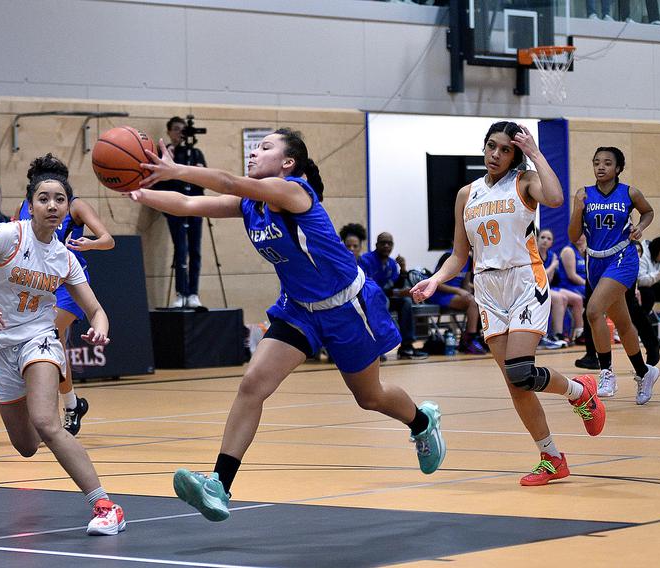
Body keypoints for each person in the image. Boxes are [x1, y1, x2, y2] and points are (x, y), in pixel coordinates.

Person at [131, 128, 445, 521]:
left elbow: (227, 180)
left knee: (370, 397)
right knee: (252, 384)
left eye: (264, 148)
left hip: (347, 309)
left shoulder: (295, 192)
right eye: (254, 147)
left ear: (287, 163)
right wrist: (138, 191)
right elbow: (185, 205)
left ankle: (421, 421)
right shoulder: (250, 204)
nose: (254, 153)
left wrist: (176, 167)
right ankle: (219, 486)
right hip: (298, 309)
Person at [412, 121, 606, 486]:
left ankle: (581, 392)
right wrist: (435, 279)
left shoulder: (525, 181)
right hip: (487, 288)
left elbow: (555, 198)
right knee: (516, 384)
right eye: (491, 147)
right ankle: (552, 458)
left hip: (524, 280)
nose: (495, 155)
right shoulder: (466, 194)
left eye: (504, 150)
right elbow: (458, 256)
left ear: (515, 155)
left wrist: (534, 153)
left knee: (521, 371)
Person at [0, 154, 124, 536]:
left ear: (66, 206)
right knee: (26, 445)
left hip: (38, 339)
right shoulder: (8, 236)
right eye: (44, 198)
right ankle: (42, 414)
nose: (53, 205)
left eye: (60, 199)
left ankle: (106, 506)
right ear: (30, 204)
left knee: (46, 422)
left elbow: (96, 310)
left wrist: (100, 328)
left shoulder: (65, 257)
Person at [16, 168, 115, 435]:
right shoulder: (24, 208)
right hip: (40, 282)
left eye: (57, 192)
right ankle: (72, 404)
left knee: (47, 336)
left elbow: (108, 240)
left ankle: (50, 407)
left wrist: (89, 244)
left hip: (71, 283)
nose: (51, 202)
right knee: (52, 345)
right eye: (42, 192)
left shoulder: (75, 205)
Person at [569, 146, 660, 404]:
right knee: (623, 322)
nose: (601, 167)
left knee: (594, 311)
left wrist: (640, 227)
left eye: (607, 163)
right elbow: (573, 236)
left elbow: (649, 211)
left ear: (618, 168)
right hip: (595, 261)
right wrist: (578, 209)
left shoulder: (629, 192)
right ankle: (644, 372)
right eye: (597, 162)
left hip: (623, 257)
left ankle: (606, 371)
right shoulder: (584, 194)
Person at [155, 116, 207, 309]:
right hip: (174, 208)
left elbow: (205, 180)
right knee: (181, 249)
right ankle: (181, 292)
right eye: (176, 129)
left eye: (183, 130)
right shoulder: (165, 154)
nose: (180, 133)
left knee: (195, 250)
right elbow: (158, 183)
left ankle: (193, 292)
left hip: (196, 206)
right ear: (169, 131)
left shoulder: (195, 154)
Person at [359, 232, 428, 359]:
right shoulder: (366, 260)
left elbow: (396, 284)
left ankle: (406, 346)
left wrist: (403, 269)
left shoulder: (391, 263)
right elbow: (366, 287)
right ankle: (379, 346)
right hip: (369, 299)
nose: (386, 246)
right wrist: (395, 292)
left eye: (389, 243)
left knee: (406, 302)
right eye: (383, 243)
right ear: (376, 244)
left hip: (386, 297)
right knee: (383, 301)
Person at [426, 250, 486, 354]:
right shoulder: (448, 256)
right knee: (472, 302)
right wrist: (458, 291)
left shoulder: (470, 259)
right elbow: (436, 284)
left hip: (456, 295)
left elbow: (466, 284)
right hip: (441, 294)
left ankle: (476, 336)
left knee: (480, 299)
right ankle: (470, 339)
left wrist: (479, 291)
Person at [537, 228, 584, 348]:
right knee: (559, 298)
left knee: (577, 299)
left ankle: (578, 333)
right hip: (534, 287)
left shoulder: (551, 255)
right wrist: (553, 266)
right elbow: (540, 278)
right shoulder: (534, 254)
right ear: (537, 239)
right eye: (542, 237)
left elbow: (549, 280)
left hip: (549, 287)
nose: (545, 241)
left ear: (552, 243)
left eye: (549, 239)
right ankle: (557, 334)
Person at [638, 236, 660, 326]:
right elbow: (641, 280)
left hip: (652, 285)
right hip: (639, 287)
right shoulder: (643, 254)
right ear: (656, 249)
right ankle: (641, 325)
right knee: (649, 295)